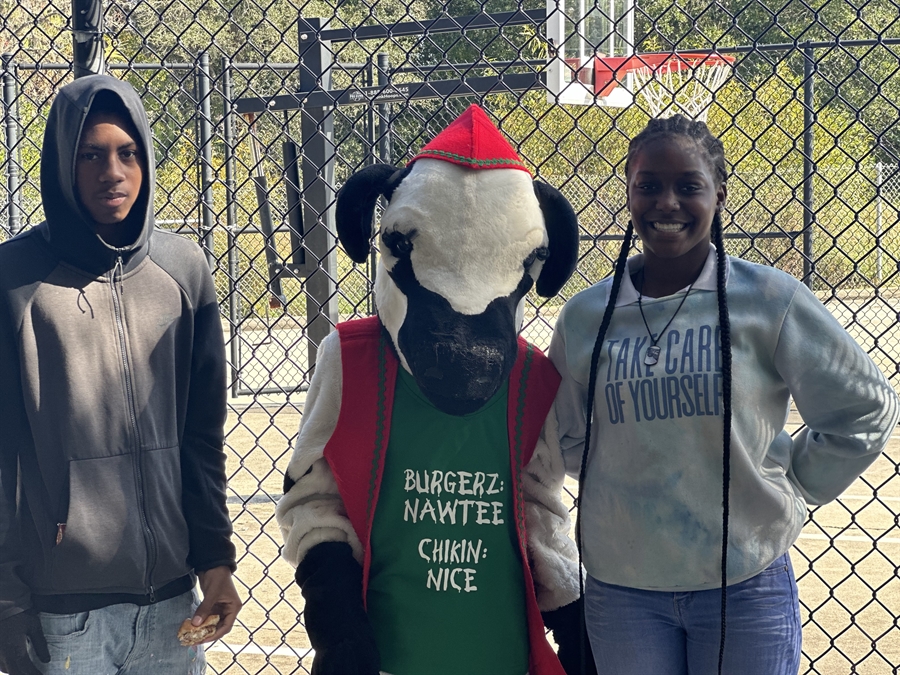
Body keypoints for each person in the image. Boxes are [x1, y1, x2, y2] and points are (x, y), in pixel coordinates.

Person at [549, 114, 899, 675]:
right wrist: (622, 470)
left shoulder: (770, 299)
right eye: (648, 185)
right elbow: (564, 434)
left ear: (719, 194)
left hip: (745, 581)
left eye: (688, 185)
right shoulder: (586, 315)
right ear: (630, 193)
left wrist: (794, 485)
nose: (667, 202)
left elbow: (864, 408)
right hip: (623, 587)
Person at [0, 75, 241, 675]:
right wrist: (7, 602)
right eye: (90, 155)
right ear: (62, 163)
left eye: (128, 153)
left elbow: (201, 439)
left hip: (172, 606)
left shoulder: (184, 270)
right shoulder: (14, 281)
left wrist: (215, 562)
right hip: (61, 615)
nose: (112, 172)